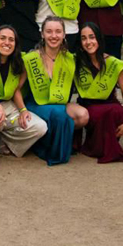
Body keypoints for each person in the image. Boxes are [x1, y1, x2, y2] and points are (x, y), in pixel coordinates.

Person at [0, 25, 48, 160]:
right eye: (2, 38)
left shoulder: (19, 62)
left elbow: (16, 91)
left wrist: (23, 110)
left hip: (10, 108)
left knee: (39, 127)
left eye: (11, 40)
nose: (7, 43)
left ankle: (4, 143)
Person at [22, 16, 89, 165]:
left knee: (82, 115)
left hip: (58, 102)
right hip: (36, 103)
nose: (54, 36)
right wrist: (21, 110)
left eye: (58, 31)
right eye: (49, 31)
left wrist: (105, 57)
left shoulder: (70, 59)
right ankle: (48, 148)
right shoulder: (31, 58)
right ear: (42, 34)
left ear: (64, 35)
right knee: (59, 116)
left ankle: (51, 141)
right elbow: (17, 89)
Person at [73, 22, 123, 163]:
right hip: (88, 106)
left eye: (92, 37)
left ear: (99, 39)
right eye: (84, 38)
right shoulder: (76, 62)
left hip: (110, 104)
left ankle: (105, 146)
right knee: (100, 113)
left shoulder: (113, 63)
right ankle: (99, 148)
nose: (88, 42)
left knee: (115, 111)